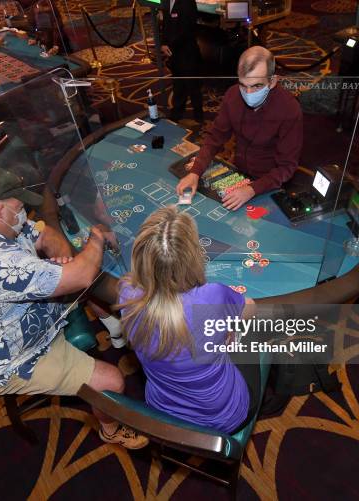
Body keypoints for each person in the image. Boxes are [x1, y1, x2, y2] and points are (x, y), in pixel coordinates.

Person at [0, 165, 147, 449]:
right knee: (112, 381)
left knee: (75, 283)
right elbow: (83, 276)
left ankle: (110, 323)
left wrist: (63, 263)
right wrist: (96, 238)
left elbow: (44, 235)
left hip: (15, 319)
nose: (24, 214)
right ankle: (110, 429)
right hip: (7, 357)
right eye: (19, 207)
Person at [116, 206, 261, 433]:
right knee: (256, 333)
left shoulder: (126, 292)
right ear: (193, 256)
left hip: (161, 411)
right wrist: (226, 327)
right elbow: (250, 309)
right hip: (225, 416)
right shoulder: (212, 295)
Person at [175, 46, 303, 211]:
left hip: (269, 183)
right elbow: (215, 138)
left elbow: (287, 167)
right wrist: (195, 172)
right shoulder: (232, 95)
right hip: (239, 172)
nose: (248, 93)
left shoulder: (290, 109)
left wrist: (252, 189)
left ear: (272, 81)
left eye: (257, 86)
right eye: (243, 85)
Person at [161, 0, 204, 122]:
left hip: (187, 51)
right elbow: (166, 24)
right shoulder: (166, 1)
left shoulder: (188, 2)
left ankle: (198, 115)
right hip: (174, 51)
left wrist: (170, 45)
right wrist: (164, 43)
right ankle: (177, 112)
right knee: (178, 83)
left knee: (192, 85)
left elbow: (187, 30)